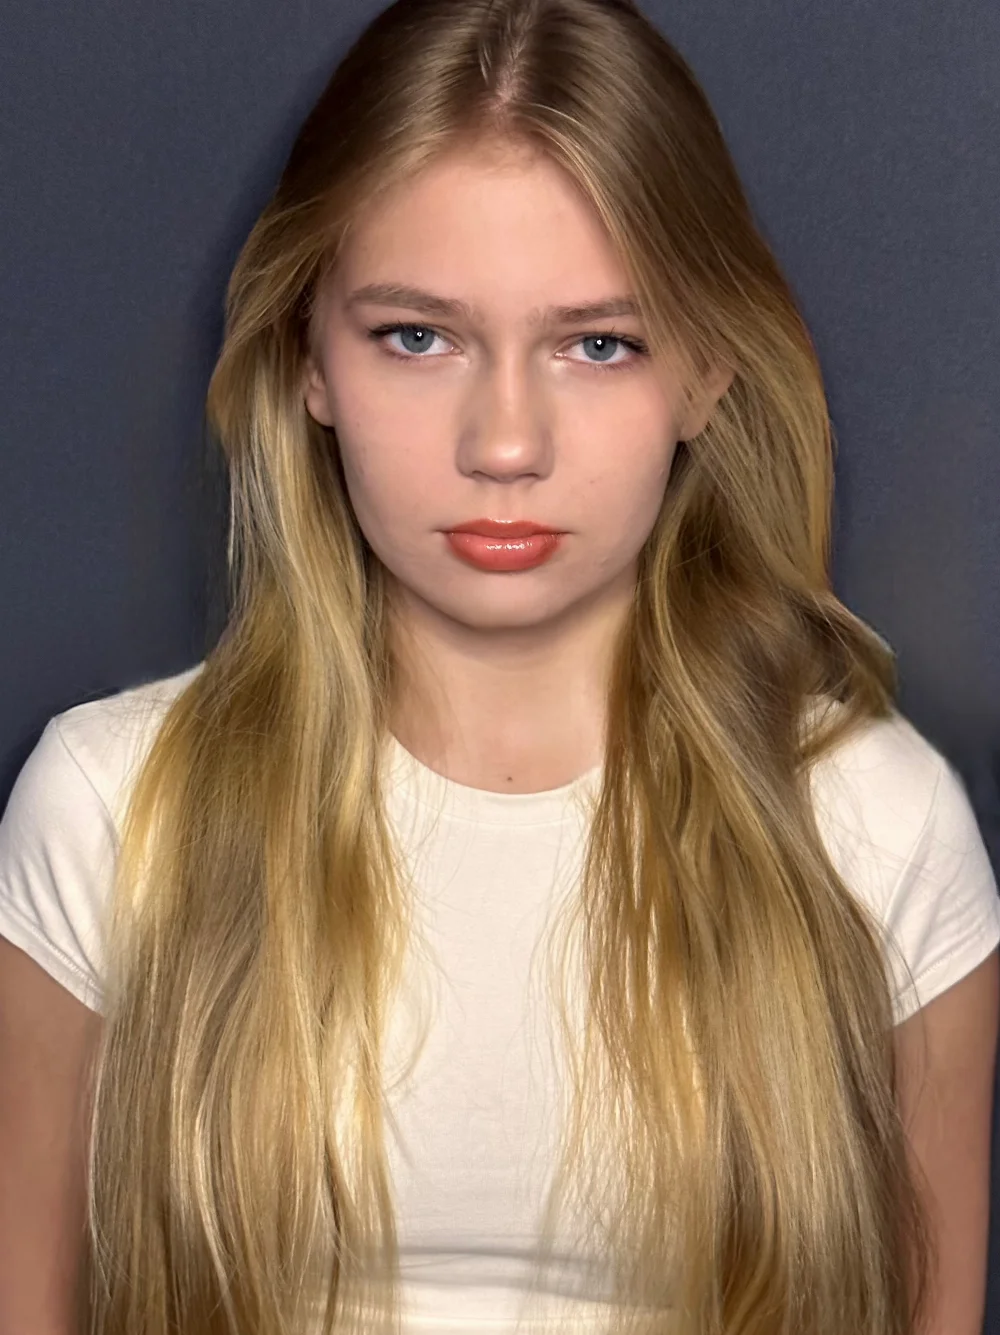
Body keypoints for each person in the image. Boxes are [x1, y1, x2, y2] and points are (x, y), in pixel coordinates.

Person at [1, 0, 998, 1331]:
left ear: (708, 370)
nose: (506, 444)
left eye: (600, 343)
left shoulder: (875, 826)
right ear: (308, 359)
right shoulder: (112, 812)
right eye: (418, 337)